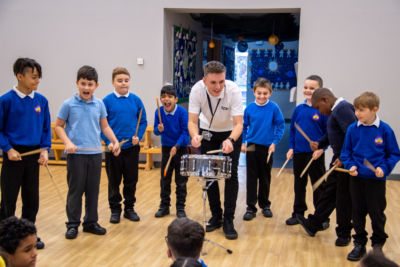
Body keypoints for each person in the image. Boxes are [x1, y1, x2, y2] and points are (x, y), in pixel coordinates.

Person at [55, 65, 120, 239]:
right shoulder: (68, 104)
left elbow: (104, 126)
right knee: (75, 190)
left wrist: (114, 141)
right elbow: (59, 126)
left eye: (90, 84)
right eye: (83, 83)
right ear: (77, 83)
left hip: (95, 154)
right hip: (76, 155)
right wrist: (67, 142)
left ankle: (91, 222)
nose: (86, 87)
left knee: (93, 190)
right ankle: (73, 224)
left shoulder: (99, 104)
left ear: (96, 86)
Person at [342, 92, 400, 261]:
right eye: (356, 110)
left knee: (376, 213)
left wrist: (384, 167)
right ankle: (359, 243)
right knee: (357, 212)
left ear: (374, 110)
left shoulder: (385, 130)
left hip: (376, 180)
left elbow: (394, 154)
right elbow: (346, 153)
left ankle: (377, 245)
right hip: (357, 178)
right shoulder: (353, 129)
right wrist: (350, 165)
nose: (357, 113)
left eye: (361, 110)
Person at [188, 61, 243, 240]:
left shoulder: (233, 90)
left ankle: (229, 219)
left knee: (230, 175)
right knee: (209, 174)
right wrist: (195, 135)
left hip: (230, 131)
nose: (218, 86)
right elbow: (192, 121)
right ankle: (216, 216)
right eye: (213, 83)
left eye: (221, 82)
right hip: (207, 131)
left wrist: (230, 140)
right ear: (204, 81)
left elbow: (239, 124)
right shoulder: (196, 91)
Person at [0, 58, 50, 249]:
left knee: (31, 199)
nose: (37, 81)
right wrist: (8, 148)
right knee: (8, 199)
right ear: (20, 77)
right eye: (34, 77)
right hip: (14, 155)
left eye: (39, 77)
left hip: (33, 154)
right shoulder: (5, 101)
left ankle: (28, 235)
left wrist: (45, 150)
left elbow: (46, 129)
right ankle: (5, 237)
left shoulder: (41, 101)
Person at [297, 88, 356, 247]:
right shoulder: (334, 112)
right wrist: (320, 143)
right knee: (329, 193)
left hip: (345, 161)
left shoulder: (342, 109)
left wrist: (343, 157)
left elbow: (354, 135)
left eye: (318, 108)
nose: (319, 112)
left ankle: (344, 233)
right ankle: (314, 223)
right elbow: (332, 135)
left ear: (325, 100)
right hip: (339, 160)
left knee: (343, 198)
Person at [101, 67, 147, 224]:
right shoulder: (106, 101)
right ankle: (115, 210)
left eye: (126, 81)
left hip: (131, 149)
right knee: (114, 181)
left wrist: (138, 137)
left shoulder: (136, 100)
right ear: (113, 82)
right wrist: (109, 142)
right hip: (114, 150)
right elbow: (102, 126)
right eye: (119, 81)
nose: (123, 84)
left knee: (131, 181)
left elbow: (143, 122)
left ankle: (129, 208)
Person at [285, 75, 329, 226]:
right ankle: (298, 213)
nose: (308, 90)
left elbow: (329, 134)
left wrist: (322, 149)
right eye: (305, 87)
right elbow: (292, 131)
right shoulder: (299, 109)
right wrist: (291, 147)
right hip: (299, 154)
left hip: (315, 155)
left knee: (318, 186)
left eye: (312, 88)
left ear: (320, 91)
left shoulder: (323, 110)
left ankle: (321, 217)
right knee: (299, 185)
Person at [241, 78, 285, 220]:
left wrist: (274, 142)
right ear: (254, 92)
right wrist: (242, 143)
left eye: (265, 93)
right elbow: (243, 127)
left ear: (270, 93)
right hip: (252, 146)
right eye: (259, 93)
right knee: (252, 178)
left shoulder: (274, 108)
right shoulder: (249, 108)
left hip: (267, 147)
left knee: (265, 177)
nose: (261, 96)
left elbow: (281, 125)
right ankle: (251, 207)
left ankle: (265, 205)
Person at [154, 85, 189, 218]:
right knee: (165, 179)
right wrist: (159, 129)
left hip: (180, 148)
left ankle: (180, 208)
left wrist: (177, 145)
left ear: (176, 99)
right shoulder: (158, 112)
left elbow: (185, 133)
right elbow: (156, 132)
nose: (166, 99)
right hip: (166, 148)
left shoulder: (182, 112)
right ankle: (164, 206)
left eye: (169, 97)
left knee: (181, 181)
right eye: (163, 97)